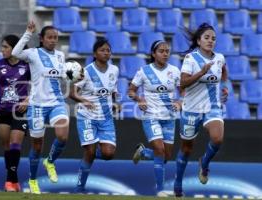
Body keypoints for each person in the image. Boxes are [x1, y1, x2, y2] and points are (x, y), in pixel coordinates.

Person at [12, 21, 70, 194]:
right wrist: (27, 32)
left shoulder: (60, 55)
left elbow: (62, 77)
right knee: (37, 147)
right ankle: (32, 180)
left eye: (55, 38)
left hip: (56, 102)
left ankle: (50, 162)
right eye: (50, 37)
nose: (53, 41)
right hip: (37, 105)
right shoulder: (33, 53)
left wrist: (72, 76)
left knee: (63, 136)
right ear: (42, 39)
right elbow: (15, 53)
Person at [173, 23, 229, 197]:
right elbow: (183, 83)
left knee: (217, 139)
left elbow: (223, 72)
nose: (210, 41)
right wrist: (201, 73)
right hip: (191, 109)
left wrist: (224, 88)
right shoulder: (190, 59)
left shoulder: (219, 57)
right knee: (186, 149)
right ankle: (178, 182)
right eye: (206, 37)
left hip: (212, 106)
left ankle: (204, 163)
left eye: (213, 38)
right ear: (198, 40)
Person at [128, 40, 181, 197]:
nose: (165, 54)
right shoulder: (144, 71)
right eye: (161, 51)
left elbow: (184, 91)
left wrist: (179, 101)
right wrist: (139, 100)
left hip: (169, 117)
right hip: (150, 115)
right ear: (153, 54)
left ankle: (143, 152)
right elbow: (131, 91)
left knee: (166, 156)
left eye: (167, 51)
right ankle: (160, 190)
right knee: (159, 149)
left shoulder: (175, 71)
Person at [69, 38, 120, 193]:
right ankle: (79, 187)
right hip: (87, 117)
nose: (106, 53)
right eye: (102, 50)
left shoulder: (114, 70)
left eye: (108, 50)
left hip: (106, 118)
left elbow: (113, 91)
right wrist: (83, 100)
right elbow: (72, 93)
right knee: (90, 152)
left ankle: (90, 154)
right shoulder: (86, 71)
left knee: (108, 154)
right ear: (95, 53)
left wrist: (116, 102)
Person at [0, 34, 30, 192]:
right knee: (6, 146)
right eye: (2, 46)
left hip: (20, 111)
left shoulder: (26, 65)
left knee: (15, 144)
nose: (2, 49)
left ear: (14, 48)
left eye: (5, 47)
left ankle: (9, 181)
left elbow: (38, 86)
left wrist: (28, 100)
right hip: (3, 111)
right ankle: (14, 180)